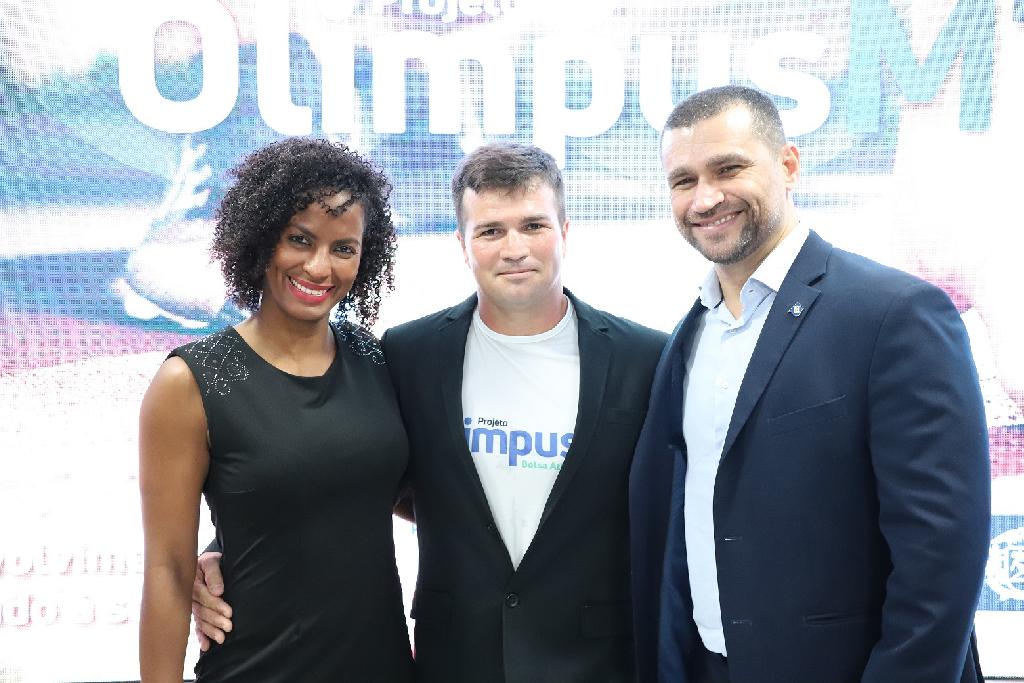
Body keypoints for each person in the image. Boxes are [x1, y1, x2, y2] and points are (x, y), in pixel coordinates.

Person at [191, 142, 668, 682]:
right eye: (491, 231)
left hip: (597, 661)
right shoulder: (409, 354)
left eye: (533, 226)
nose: (515, 248)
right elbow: (335, 466)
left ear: (565, 230)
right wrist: (221, 550)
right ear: (462, 244)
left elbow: (675, 504)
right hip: (456, 658)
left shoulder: (645, 358)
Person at [628, 85, 991, 683]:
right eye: (683, 181)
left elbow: (941, 557)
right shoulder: (689, 338)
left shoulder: (895, 314)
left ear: (789, 164)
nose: (705, 198)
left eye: (728, 169)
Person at [138, 138, 413, 682]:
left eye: (344, 248)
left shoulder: (373, 358)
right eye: (299, 239)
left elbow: (370, 493)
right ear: (261, 237)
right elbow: (168, 572)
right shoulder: (190, 381)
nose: (319, 266)